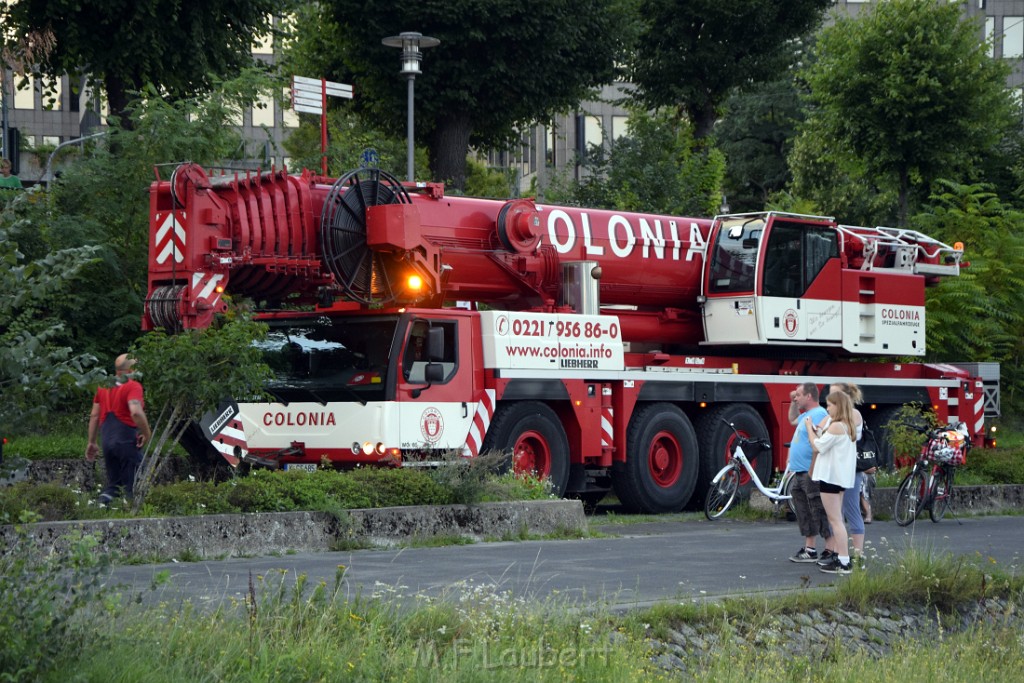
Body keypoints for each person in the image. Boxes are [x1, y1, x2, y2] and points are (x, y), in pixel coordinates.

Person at [85, 354, 152, 504]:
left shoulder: (103, 387)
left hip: (107, 441)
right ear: (131, 370)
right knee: (133, 485)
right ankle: (132, 516)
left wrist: (92, 442)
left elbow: (94, 415)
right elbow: (135, 411)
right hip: (126, 440)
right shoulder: (133, 386)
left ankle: (100, 509)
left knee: (114, 485)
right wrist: (147, 433)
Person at [806, 391, 858, 574]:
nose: (827, 408)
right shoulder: (847, 426)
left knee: (835, 520)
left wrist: (808, 429)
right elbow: (826, 442)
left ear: (838, 405)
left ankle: (843, 561)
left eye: (830, 405)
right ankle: (843, 559)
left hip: (830, 478)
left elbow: (817, 446)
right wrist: (819, 433)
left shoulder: (836, 426)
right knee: (838, 519)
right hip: (841, 478)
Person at [785, 382, 831, 564]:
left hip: (810, 472)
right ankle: (810, 548)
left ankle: (830, 548)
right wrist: (791, 402)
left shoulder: (819, 414)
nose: (795, 397)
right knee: (804, 511)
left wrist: (813, 469)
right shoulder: (807, 415)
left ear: (809, 396)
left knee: (818, 509)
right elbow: (791, 419)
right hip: (800, 472)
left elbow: (819, 442)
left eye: (798, 395)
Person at [826, 382, 871, 565]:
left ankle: (858, 554)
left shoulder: (853, 415)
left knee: (851, 509)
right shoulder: (839, 416)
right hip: (839, 468)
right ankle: (839, 551)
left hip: (850, 469)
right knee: (837, 512)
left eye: (834, 394)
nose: (830, 399)